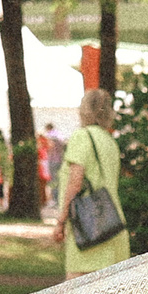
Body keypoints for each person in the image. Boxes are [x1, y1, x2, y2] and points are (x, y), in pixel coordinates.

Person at [50, 89, 131, 280]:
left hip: (88, 230)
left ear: (83, 110)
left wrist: (61, 221)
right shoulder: (109, 141)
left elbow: (75, 182)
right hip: (113, 226)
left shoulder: (81, 137)